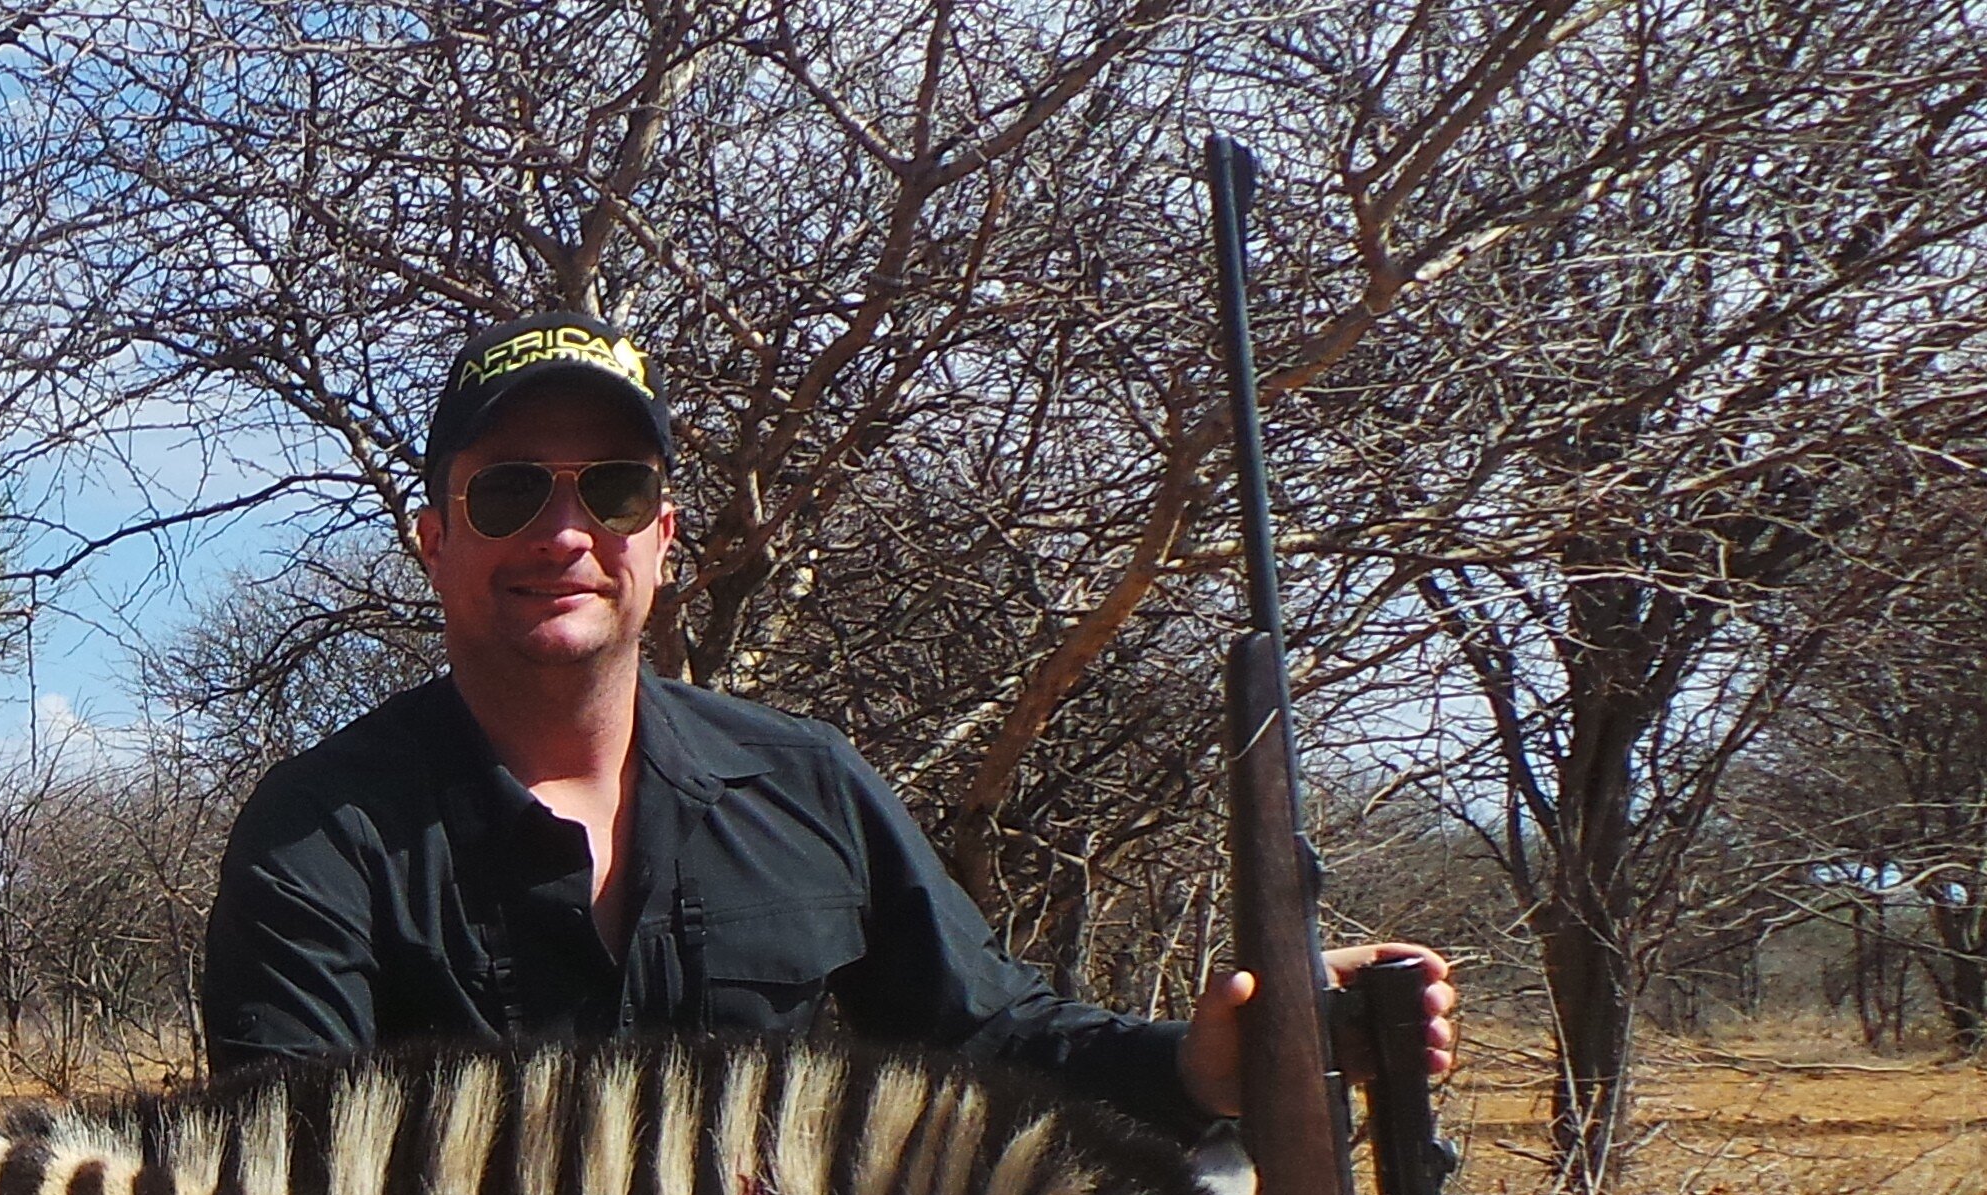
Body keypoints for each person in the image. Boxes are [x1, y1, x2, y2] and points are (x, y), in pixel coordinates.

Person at [200, 312, 1452, 1133]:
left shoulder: (802, 781)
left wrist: (1208, 1062)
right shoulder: (321, 834)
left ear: (666, 539)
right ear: (434, 541)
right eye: (510, 492)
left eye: (616, 490)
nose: (566, 534)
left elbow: (988, 1033)